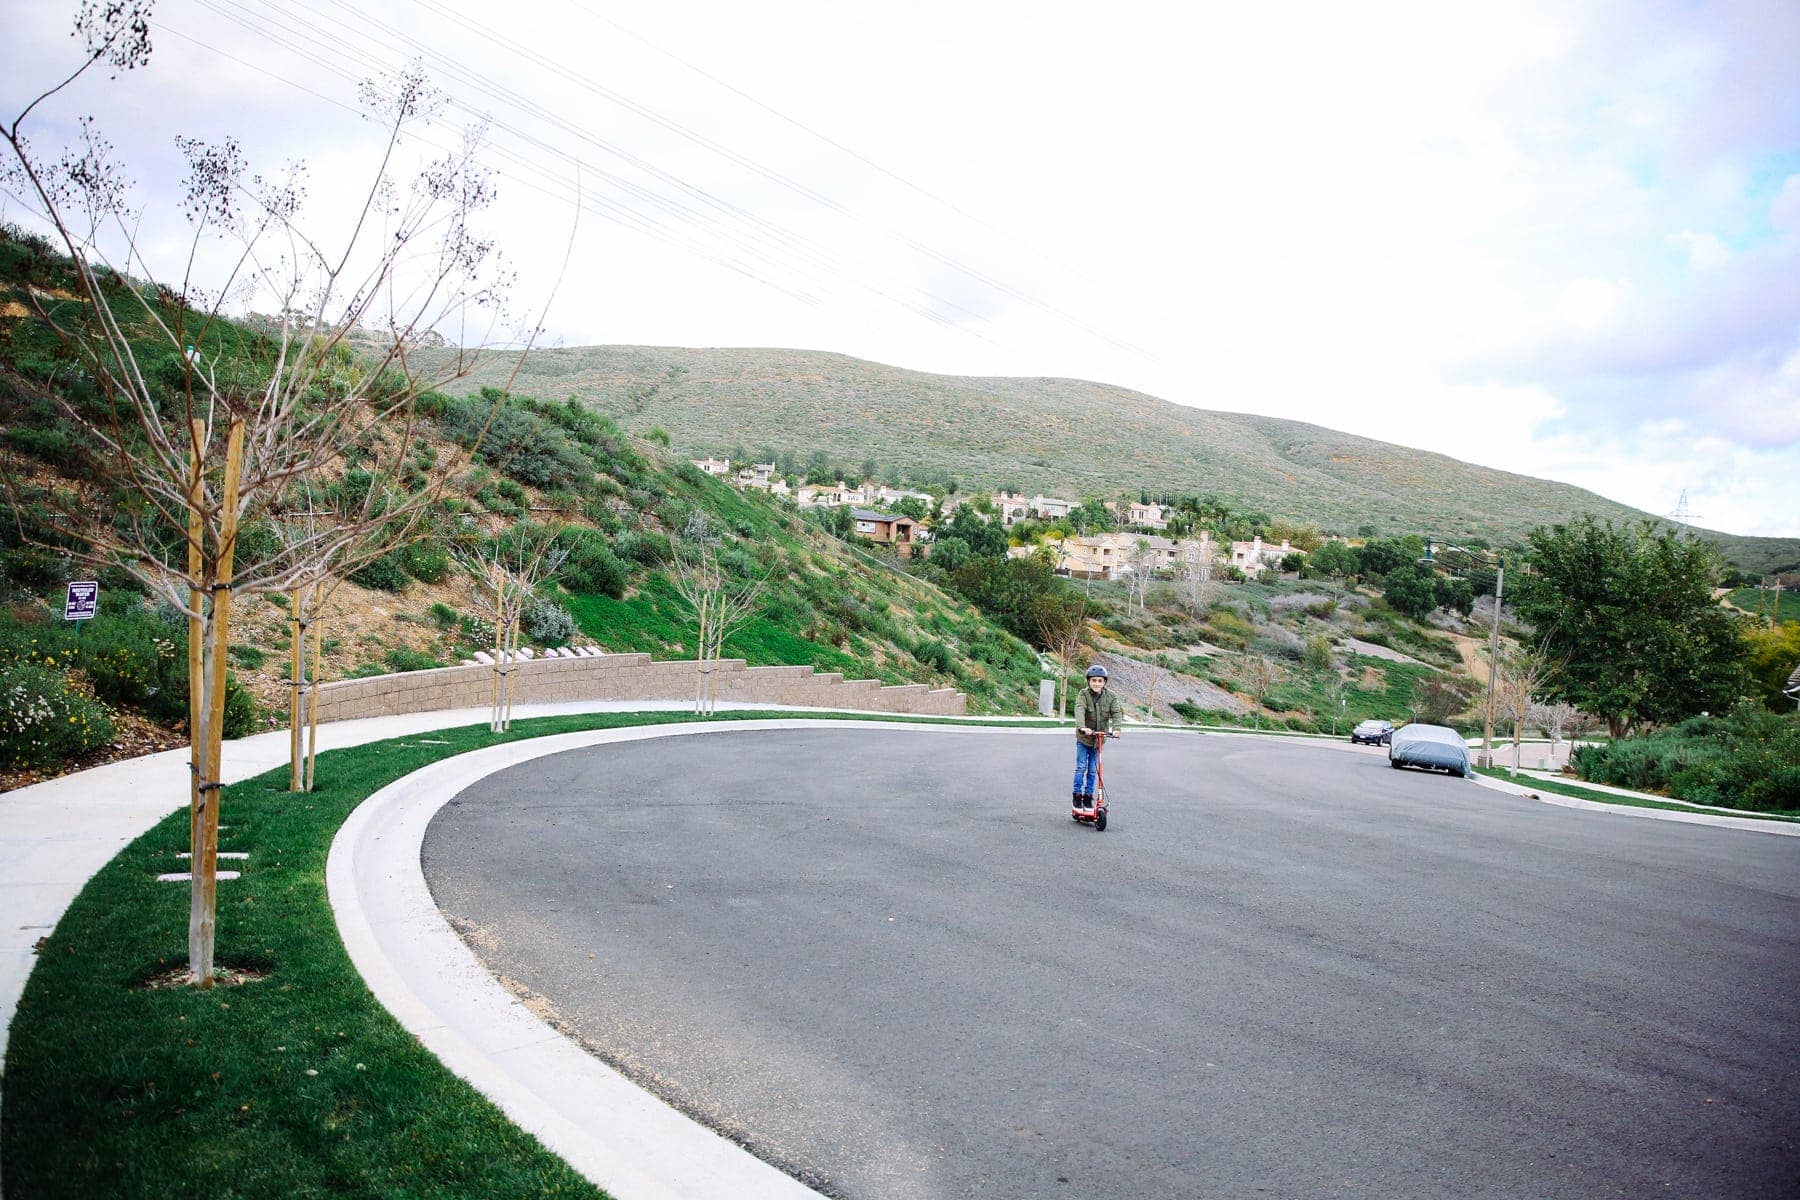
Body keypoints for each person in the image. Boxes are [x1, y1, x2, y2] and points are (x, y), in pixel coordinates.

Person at [1073, 664, 1122, 813]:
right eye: (1094, 680)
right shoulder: (1083, 694)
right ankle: (1077, 796)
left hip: (1098, 740)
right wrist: (1082, 727)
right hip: (1084, 738)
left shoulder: (1111, 696)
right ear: (1089, 681)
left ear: (1104, 682)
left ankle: (1088, 797)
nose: (1097, 683)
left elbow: (1116, 713)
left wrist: (1116, 729)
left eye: (1100, 681)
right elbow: (1079, 710)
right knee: (1081, 767)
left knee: (1093, 770)